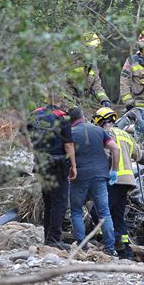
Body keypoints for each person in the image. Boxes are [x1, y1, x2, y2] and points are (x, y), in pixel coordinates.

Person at [92, 107, 144, 259]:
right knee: (117, 215)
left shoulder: (104, 135)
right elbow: (142, 158)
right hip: (127, 182)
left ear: (99, 121)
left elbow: (104, 156)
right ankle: (126, 252)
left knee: (98, 212)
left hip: (113, 180)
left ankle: (111, 241)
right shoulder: (125, 134)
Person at [69, 107, 120, 257]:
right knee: (104, 212)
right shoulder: (98, 130)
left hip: (79, 176)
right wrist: (114, 170)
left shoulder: (70, 134)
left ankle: (82, 246)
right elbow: (115, 149)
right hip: (100, 176)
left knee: (77, 210)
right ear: (83, 117)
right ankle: (110, 249)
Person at [29, 93, 77, 251]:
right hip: (58, 164)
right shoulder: (62, 118)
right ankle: (54, 239)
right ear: (60, 100)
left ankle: (47, 238)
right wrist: (73, 166)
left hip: (41, 163)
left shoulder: (35, 114)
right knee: (59, 203)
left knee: (48, 201)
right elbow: (69, 145)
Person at [67, 33, 112, 108]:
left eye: (96, 48)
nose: (94, 51)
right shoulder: (73, 64)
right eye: (92, 48)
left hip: (79, 104)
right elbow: (65, 87)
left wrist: (104, 100)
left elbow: (96, 86)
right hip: (65, 104)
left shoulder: (92, 65)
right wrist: (71, 104)